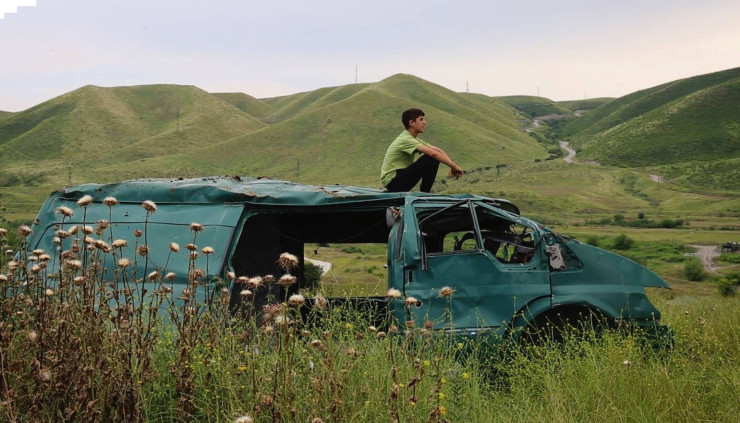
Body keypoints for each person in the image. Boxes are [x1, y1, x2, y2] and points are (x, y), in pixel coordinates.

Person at [380, 108, 464, 193]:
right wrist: (455, 167)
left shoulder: (412, 139)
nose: (424, 122)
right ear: (411, 123)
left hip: (399, 179)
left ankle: (425, 194)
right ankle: (425, 195)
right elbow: (433, 154)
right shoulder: (405, 139)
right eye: (421, 119)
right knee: (432, 158)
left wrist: (452, 166)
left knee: (434, 157)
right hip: (393, 182)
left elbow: (438, 151)